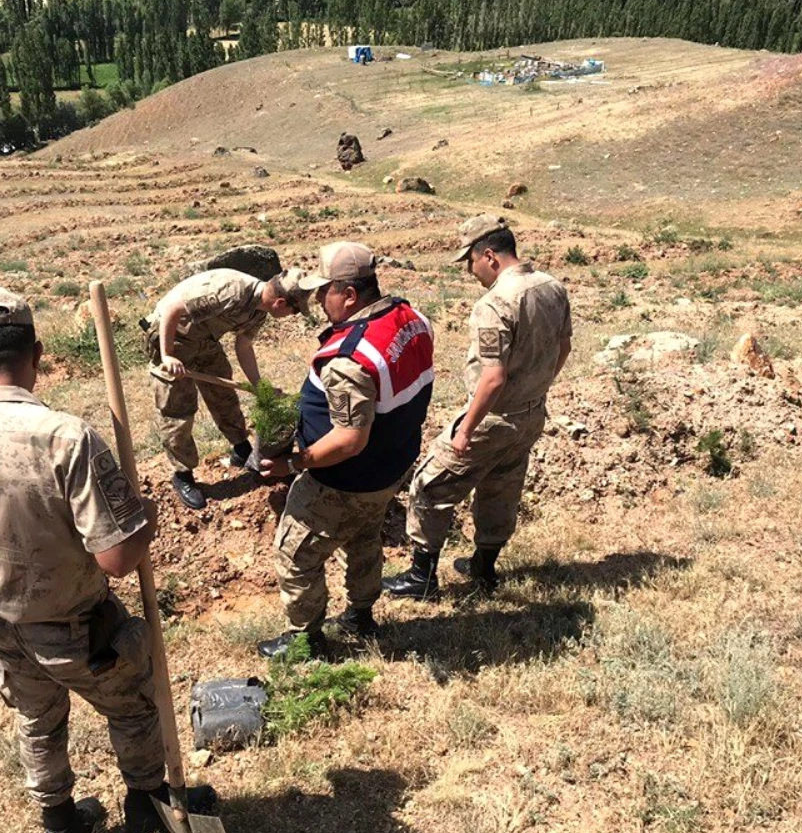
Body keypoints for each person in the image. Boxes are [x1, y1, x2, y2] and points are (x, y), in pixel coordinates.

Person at [0, 286, 213, 833]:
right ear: (38, 356)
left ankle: (61, 827)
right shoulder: (65, 438)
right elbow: (118, 559)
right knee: (133, 703)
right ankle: (148, 802)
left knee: (37, 721)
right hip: (79, 629)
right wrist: (140, 516)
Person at [258, 243, 434, 658]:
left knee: (296, 551)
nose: (319, 300)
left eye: (325, 292)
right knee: (364, 537)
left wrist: (294, 463)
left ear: (350, 295)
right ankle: (361, 614)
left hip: (342, 478)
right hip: (390, 467)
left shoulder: (350, 358)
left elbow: (350, 439)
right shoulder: (412, 319)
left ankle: (306, 638)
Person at [383, 216, 572, 600]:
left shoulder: (496, 302)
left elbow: (492, 377)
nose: (470, 271)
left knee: (429, 485)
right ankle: (484, 568)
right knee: (501, 487)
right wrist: (536, 387)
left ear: (489, 255)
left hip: (494, 416)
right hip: (532, 412)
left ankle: (422, 577)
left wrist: (465, 429)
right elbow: (564, 346)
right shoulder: (551, 286)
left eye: (469, 261)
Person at [145, 266, 327, 510]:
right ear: (281, 302)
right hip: (171, 336)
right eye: (295, 310)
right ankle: (183, 475)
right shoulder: (231, 291)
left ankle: (241, 449)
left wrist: (258, 386)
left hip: (205, 341)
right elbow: (172, 308)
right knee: (178, 411)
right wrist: (167, 356)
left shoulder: (259, 312)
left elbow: (244, 347)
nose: (294, 315)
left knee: (224, 397)